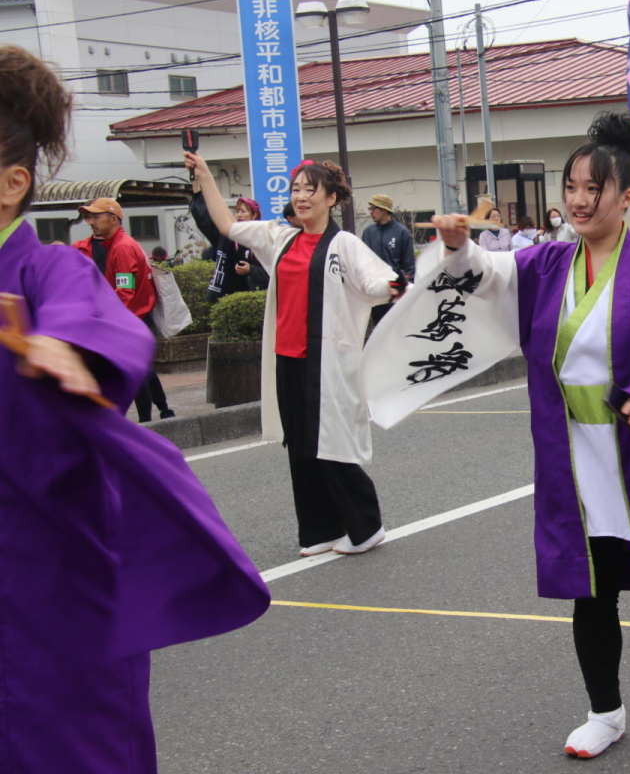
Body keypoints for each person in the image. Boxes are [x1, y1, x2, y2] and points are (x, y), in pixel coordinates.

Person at [363, 113, 630, 773]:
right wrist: (457, 248)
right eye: (572, 186)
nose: (580, 199)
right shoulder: (549, 262)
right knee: (592, 591)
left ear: (626, 197)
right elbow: (490, 275)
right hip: (576, 459)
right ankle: (605, 712)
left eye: (595, 187)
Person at [0, 42, 269, 774]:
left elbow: (105, 324)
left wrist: (63, 351)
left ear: (12, 182)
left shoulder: (48, 269)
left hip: (46, 587)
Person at [186, 153, 402, 557]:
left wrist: (394, 285)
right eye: (296, 189)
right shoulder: (279, 238)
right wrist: (204, 178)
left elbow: (376, 280)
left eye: (310, 189)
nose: (301, 197)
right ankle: (321, 529)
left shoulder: (344, 245)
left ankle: (366, 525)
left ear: (332, 198)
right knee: (301, 447)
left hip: (328, 363)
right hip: (287, 358)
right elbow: (226, 224)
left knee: (332, 446)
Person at [73, 196, 175, 421]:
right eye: (89, 217)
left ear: (113, 219)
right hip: (130, 316)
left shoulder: (122, 248)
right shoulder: (110, 245)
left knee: (134, 371)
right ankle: (161, 411)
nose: (91, 222)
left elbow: (124, 290)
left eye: (96, 217)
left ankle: (147, 422)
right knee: (140, 370)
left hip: (128, 318)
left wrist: (112, 322)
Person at [189, 187, 269, 302]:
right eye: (237, 211)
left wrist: (250, 269)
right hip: (228, 296)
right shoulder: (230, 236)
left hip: (256, 300)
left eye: (243, 211)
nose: (239, 215)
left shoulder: (262, 238)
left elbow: (272, 272)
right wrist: (198, 194)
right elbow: (207, 223)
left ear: (254, 215)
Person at [362, 193, 415, 324]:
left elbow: (409, 266)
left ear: (384, 210)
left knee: (397, 330)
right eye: (370, 208)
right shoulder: (368, 233)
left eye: (374, 208)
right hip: (376, 291)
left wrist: (406, 288)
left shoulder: (401, 232)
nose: (371, 212)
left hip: (396, 291)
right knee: (378, 329)